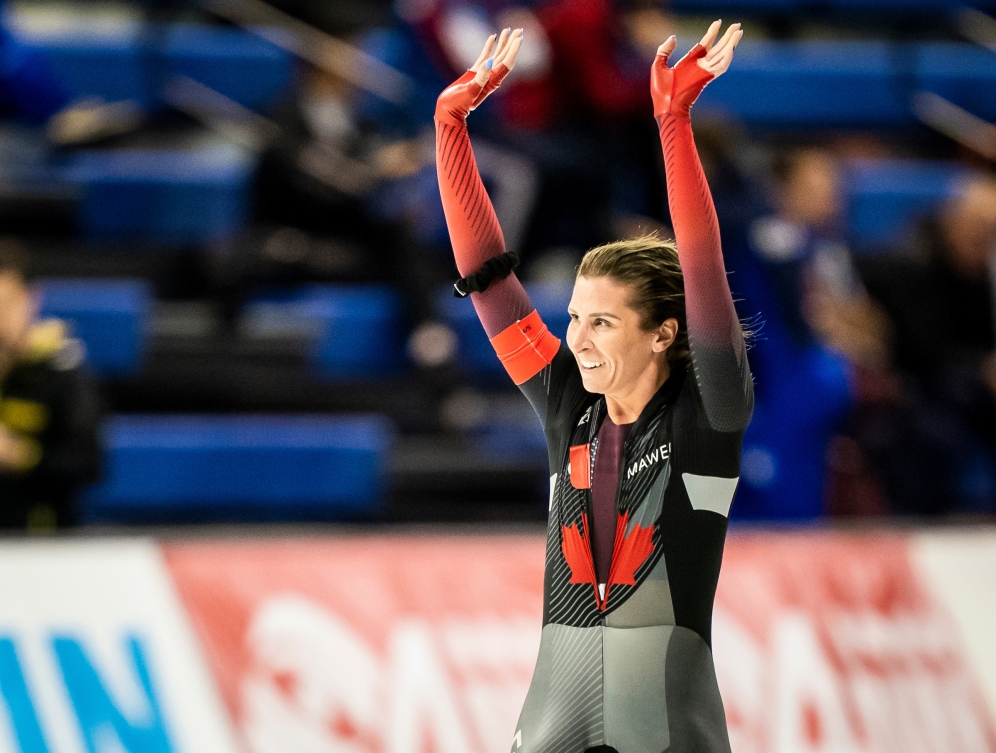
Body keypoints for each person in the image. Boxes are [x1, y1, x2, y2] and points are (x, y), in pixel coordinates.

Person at [435, 22, 750, 753]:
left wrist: (674, 123)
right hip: (552, 720)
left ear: (664, 333)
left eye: (602, 321)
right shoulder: (566, 406)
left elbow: (700, 265)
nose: (575, 338)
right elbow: (488, 279)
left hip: (670, 726)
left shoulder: (710, 413)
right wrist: (450, 127)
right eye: (575, 317)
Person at [0, 242, 102, 530]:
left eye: (6, 303)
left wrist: (20, 455)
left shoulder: (62, 368)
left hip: (42, 540)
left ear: (32, 299)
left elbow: (88, 464)